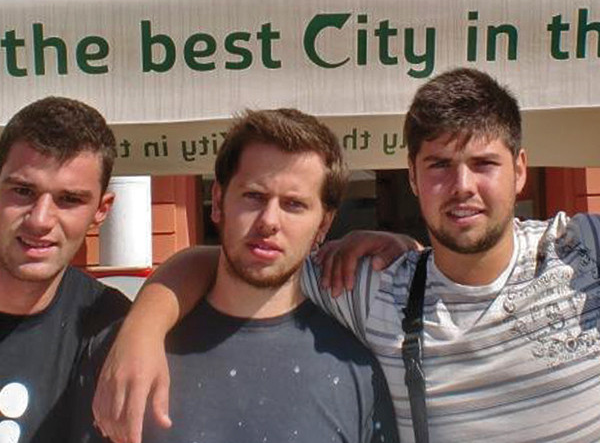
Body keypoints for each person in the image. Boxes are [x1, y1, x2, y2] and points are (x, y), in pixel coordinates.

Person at [92, 69, 600, 443]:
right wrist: (144, 321)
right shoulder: (371, 284)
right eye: (439, 166)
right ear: (412, 177)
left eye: (483, 164)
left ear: (520, 170)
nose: (462, 187)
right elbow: (238, 257)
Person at [81, 109, 397, 443]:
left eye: (293, 204)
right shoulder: (125, 356)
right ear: (218, 201)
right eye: (254, 196)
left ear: (323, 224)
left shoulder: (358, 371)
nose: (269, 221)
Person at [0, 97, 130, 443]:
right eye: (23, 191)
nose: (40, 220)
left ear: (101, 210)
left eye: (69, 200)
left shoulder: (113, 329)